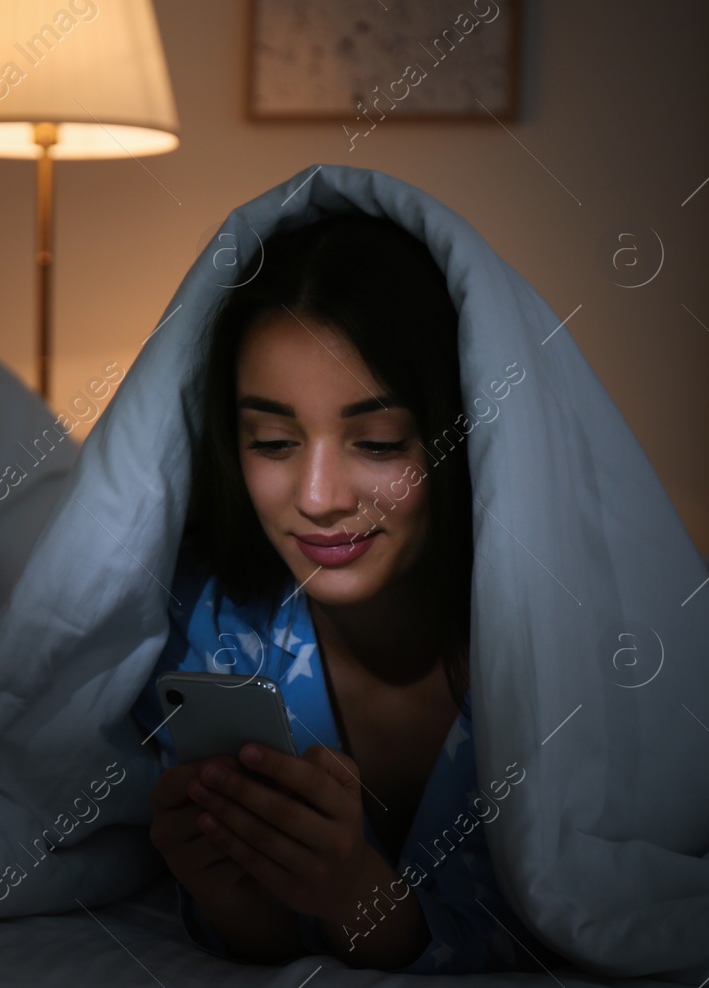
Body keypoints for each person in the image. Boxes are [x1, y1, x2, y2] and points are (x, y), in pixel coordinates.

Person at [132, 212, 554, 973]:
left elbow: (587, 920)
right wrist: (233, 892)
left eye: (380, 442)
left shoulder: (559, 643)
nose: (319, 496)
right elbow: (259, 944)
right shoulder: (207, 625)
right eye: (273, 442)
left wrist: (357, 889)